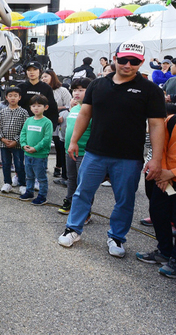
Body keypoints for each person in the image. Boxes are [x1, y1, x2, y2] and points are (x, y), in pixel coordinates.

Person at [58, 40, 166, 258]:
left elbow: (156, 125)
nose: (127, 64)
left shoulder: (150, 90)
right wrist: (73, 141)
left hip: (129, 157)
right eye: (123, 59)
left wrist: (156, 158)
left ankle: (116, 237)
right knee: (82, 193)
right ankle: (73, 229)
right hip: (95, 152)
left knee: (125, 199)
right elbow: (85, 114)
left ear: (142, 62)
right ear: (115, 58)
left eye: (134, 61)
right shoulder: (97, 85)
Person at [136, 111, 176, 278]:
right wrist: (163, 174)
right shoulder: (171, 120)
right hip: (166, 179)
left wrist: (172, 173)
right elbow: (163, 147)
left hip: (170, 175)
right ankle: (165, 251)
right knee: (157, 211)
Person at [58, 78, 93, 216]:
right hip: (69, 150)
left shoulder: (92, 109)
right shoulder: (74, 108)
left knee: (84, 183)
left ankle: (85, 211)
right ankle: (70, 202)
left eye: (81, 90)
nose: (76, 93)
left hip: (84, 152)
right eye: (74, 90)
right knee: (71, 179)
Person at [19, 95, 53, 205]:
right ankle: (29, 192)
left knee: (41, 177)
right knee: (29, 175)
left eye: (39, 106)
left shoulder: (47, 122)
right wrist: (24, 145)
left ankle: (42, 196)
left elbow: (47, 139)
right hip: (27, 153)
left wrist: (36, 148)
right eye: (33, 106)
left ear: (45, 107)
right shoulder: (28, 120)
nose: (36, 108)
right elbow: (23, 133)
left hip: (40, 155)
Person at [0, 86, 29, 194]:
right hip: (4, 144)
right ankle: (7, 183)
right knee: (5, 163)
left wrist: (16, 140)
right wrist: (3, 139)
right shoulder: (2, 112)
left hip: (17, 145)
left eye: (15, 96)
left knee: (19, 164)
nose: (12, 98)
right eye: (10, 96)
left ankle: (23, 184)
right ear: (6, 97)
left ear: (20, 97)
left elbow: (25, 129)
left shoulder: (23, 112)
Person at [41, 69, 71, 182]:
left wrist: (59, 110)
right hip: (47, 119)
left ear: (52, 77)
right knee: (46, 143)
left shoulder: (62, 90)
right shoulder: (42, 90)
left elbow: (69, 104)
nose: (43, 79)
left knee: (60, 145)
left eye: (46, 77)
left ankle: (59, 167)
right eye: (42, 77)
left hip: (61, 120)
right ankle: (44, 166)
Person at [18, 61, 59, 131]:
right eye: (29, 70)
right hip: (22, 124)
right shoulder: (21, 87)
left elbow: (52, 108)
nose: (31, 72)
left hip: (41, 125)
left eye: (34, 69)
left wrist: (52, 126)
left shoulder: (46, 88)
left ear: (40, 71)